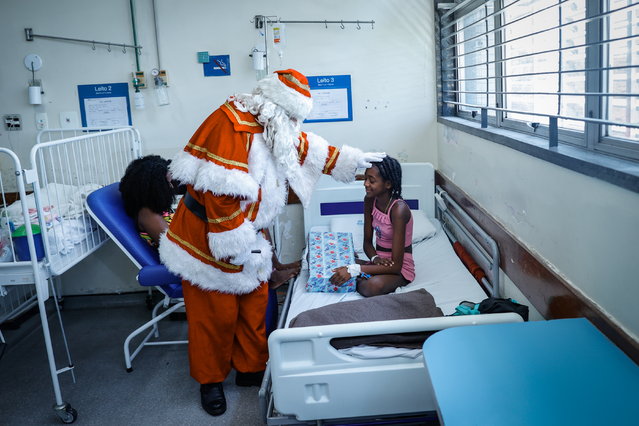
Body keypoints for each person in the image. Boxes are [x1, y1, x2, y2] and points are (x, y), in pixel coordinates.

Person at [158, 69, 384, 416]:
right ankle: (211, 381)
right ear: (277, 104)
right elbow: (220, 195)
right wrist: (236, 243)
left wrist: (349, 160)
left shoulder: (271, 123)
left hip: (246, 231)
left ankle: (249, 369)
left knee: (254, 303)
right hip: (209, 237)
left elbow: (303, 146)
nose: (295, 123)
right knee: (214, 315)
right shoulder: (230, 123)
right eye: (293, 115)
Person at [119, 155, 299, 280]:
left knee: (253, 224)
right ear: (151, 187)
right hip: (189, 261)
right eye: (166, 182)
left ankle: (277, 267)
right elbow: (175, 246)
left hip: (193, 247)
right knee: (241, 235)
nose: (171, 185)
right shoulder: (148, 214)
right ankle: (272, 274)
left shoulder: (158, 208)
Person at [329, 156, 415, 297]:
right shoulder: (369, 200)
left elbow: (396, 266)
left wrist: (355, 270)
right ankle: (361, 273)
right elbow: (367, 243)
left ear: (388, 184)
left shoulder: (398, 210)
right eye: (365, 179)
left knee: (372, 287)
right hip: (378, 261)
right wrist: (375, 259)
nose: (366, 184)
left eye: (371, 180)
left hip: (398, 268)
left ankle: (360, 276)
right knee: (332, 260)